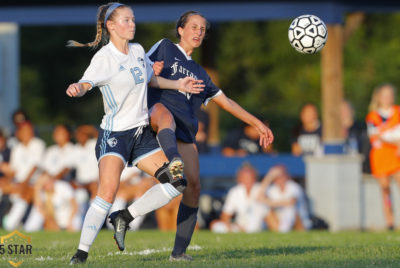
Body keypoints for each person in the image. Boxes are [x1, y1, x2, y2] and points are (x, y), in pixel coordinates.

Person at [110, 10, 273, 261]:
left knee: (192, 187)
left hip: (184, 132)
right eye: (194, 27)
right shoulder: (164, 47)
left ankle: (170, 248)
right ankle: (174, 161)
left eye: (203, 29)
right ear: (181, 30)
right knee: (163, 113)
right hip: (155, 119)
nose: (198, 32)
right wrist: (151, 69)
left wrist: (257, 123)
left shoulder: (200, 72)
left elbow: (226, 101)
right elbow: (138, 68)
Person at [65, 3, 204, 264]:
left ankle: (123, 218)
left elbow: (151, 79)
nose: (133, 24)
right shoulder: (104, 58)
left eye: (133, 20)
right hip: (115, 135)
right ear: (111, 26)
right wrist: (77, 88)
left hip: (141, 135)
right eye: (127, 20)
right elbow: (86, 83)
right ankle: (81, 254)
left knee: (177, 183)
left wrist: (178, 83)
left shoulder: (139, 50)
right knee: (107, 193)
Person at [365, 83, 400, 230]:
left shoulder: (398, 112)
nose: (387, 98)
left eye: (390, 95)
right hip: (380, 156)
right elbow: (375, 136)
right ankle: (390, 222)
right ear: (378, 97)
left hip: (396, 154)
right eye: (384, 95)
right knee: (385, 189)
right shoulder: (373, 116)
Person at [1, 121, 45, 231]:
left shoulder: (38, 144)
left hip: (35, 183)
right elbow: (13, 171)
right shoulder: (17, 148)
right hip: (19, 183)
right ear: (18, 133)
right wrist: (6, 180)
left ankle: (17, 222)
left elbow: (36, 166)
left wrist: (23, 183)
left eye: (29, 131)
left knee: (25, 193)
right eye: (23, 131)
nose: (26, 134)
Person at [210, 163, 268, 233]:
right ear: (239, 178)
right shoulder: (235, 192)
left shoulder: (260, 189)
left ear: (254, 177)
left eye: (249, 177)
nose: (247, 180)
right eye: (244, 177)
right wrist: (231, 225)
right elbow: (225, 215)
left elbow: (268, 214)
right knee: (215, 225)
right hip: (239, 226)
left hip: (258, 225)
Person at [257, 165, 306, 233]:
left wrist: (269, 202)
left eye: (281, 176)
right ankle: (281, 231)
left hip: (299, 223)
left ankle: (283, 230)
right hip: (279, 221)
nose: (279, 179)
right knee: (263, 209)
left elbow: (291, 202)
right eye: (276, 177)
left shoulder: (293, 186)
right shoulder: (273, 189)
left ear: (286, 176)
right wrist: (268, 177)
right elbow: (259, 198)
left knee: (290, 209)